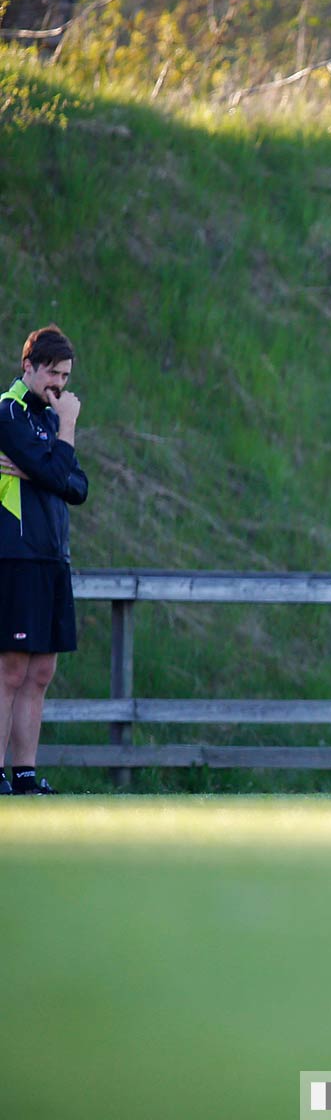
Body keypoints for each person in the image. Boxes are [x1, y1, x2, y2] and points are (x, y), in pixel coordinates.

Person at [0, 326, 88, 797]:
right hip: (17, 555)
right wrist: (65, 437)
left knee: (41, 672)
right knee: (11, 669)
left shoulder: (51, 419)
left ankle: (26, 774)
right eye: (52, 374)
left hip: (55, 557)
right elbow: (59, 471)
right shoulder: (8, 412)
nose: (59, 385)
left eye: (66, 376)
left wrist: (51, 468)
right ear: (28, 367)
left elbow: (78, 486)